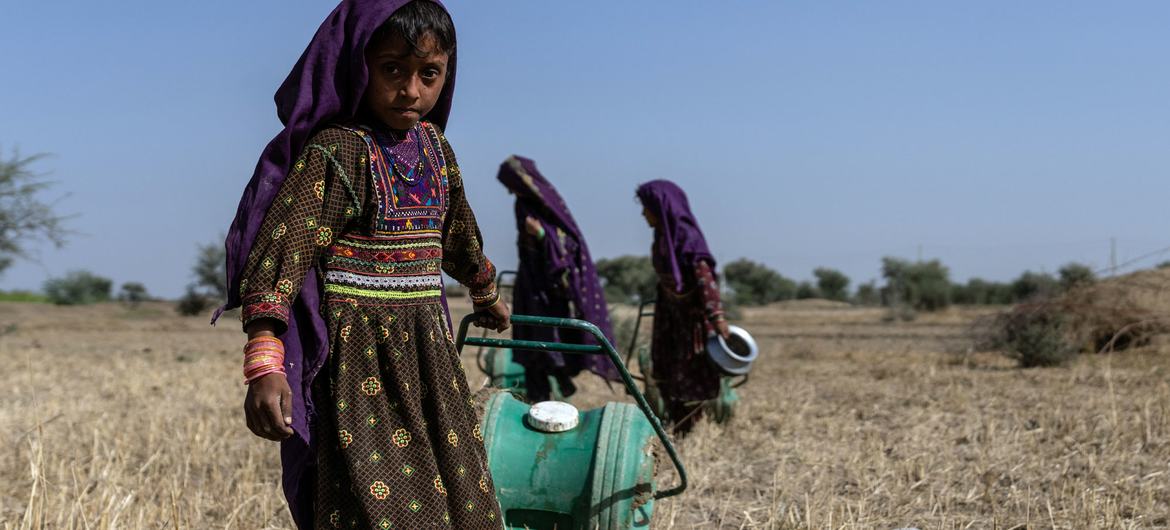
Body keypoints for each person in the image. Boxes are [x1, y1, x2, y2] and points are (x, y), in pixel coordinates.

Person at [216, 2, 507, 528]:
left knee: (464, 502)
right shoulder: (340, 152)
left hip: (432, 360)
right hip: (360, 366)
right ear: (359, 65)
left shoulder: (437, 151)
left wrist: (485, 292)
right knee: (382, 510)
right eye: (393, 69)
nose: (411, 90)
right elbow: (281, 255)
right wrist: (264, 363)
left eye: (429, 73)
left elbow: (458, 236)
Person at [497, 156, 620, 401]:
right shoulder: (521, 205)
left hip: (550, 290)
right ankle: (538, 398)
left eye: (511, 184)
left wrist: (541, 234)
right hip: (529, 286)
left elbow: (568, 243)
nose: (510, 191)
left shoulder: (548, 204)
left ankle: (559, 379)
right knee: (529, 344)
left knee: (549, 340)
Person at [636, 180, 729, 433]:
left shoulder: (688, 239)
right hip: (669, 316)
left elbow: (705, 279)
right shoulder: (661, 238)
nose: (643, 214)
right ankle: (674, 426)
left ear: (660, 207)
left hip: (691, 320)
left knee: (690, 373)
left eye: (646, 207)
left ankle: (687, 429)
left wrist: (717, 316)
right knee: (665, 370)